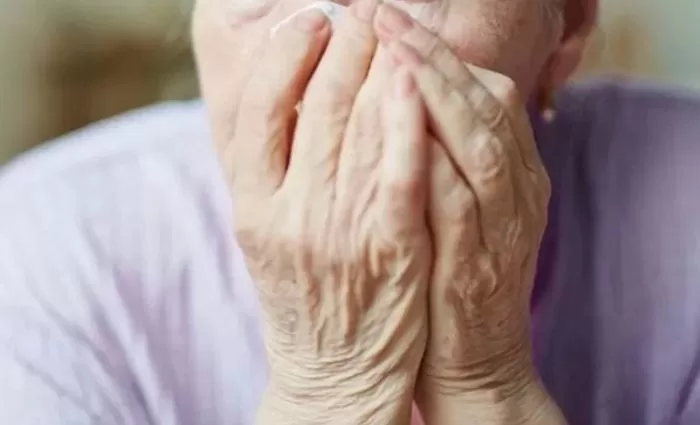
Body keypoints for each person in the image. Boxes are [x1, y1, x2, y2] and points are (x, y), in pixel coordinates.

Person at [0, 0, 698, 423]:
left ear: (568, 22)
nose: (338, 53)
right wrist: (330, 390)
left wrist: (488, 386)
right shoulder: (42, 260)